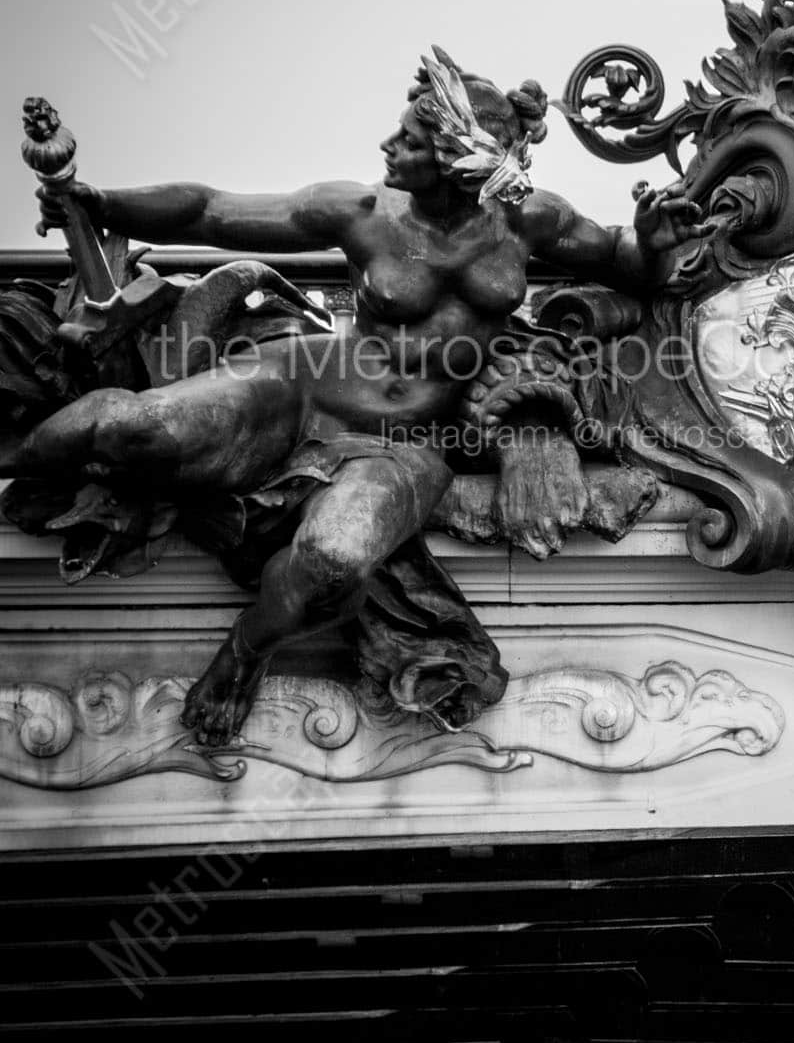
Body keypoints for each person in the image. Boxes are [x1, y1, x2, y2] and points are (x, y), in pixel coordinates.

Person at [5, 47, 712, 744]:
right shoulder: (364, 211)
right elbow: (213, 212)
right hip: (301, 385)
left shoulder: (529, 221)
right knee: (128, 426)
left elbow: (622, 260)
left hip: (404, 445)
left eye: (409, 141)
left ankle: (246, 649)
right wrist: (102, 203)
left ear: (458, 161)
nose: (388, 147)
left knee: (334, 561)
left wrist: (651, 244)